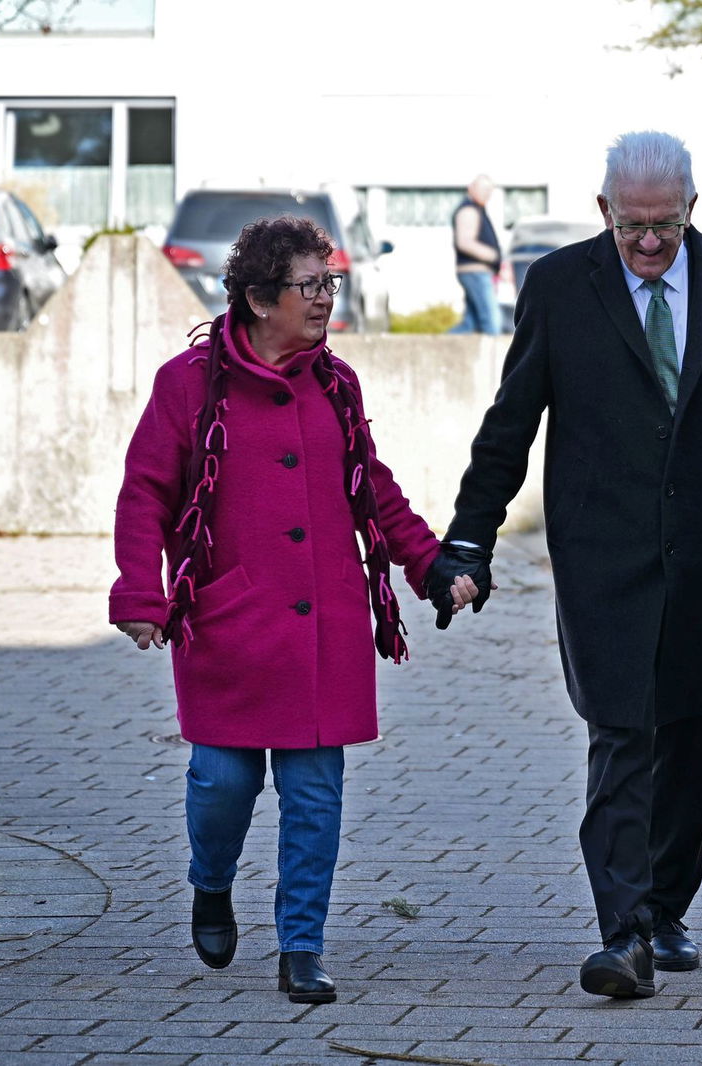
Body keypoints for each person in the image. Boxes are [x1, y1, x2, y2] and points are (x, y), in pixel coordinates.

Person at [427, 131, 702, 999]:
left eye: (663, 226)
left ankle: (668, 904)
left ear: (691, 211)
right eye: (631, 225)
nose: (646, 242)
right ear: (604, 211)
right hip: (605, 558)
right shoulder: (563, 285)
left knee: (690, 737)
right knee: (621, 732)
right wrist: (471, 538)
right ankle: (625, 931)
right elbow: (511, 421)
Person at [109, 216, 474, 1004]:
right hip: (228, 623)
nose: (324, 300)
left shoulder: (335, 383)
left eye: (329, 282)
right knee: (220, 783)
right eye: (309, 285)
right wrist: (141, 590)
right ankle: (210, 884)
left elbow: (370, 487)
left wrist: (430, 563)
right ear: (255, 297)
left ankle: (302, 945)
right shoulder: (189, 383)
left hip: (325, 626)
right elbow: (145, 494)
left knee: (315, 795)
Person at [450, 174, 504, 334]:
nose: (487, 194)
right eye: (484, 189)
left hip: (478, 272)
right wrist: (493, 256)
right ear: (471, 188)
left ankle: (434, 351)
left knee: (470, 325)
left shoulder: (477, 209)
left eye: (490, 190)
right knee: (492, 322)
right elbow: (464, 242)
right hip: (475, 271)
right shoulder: (468, 210)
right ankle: (497, 359)